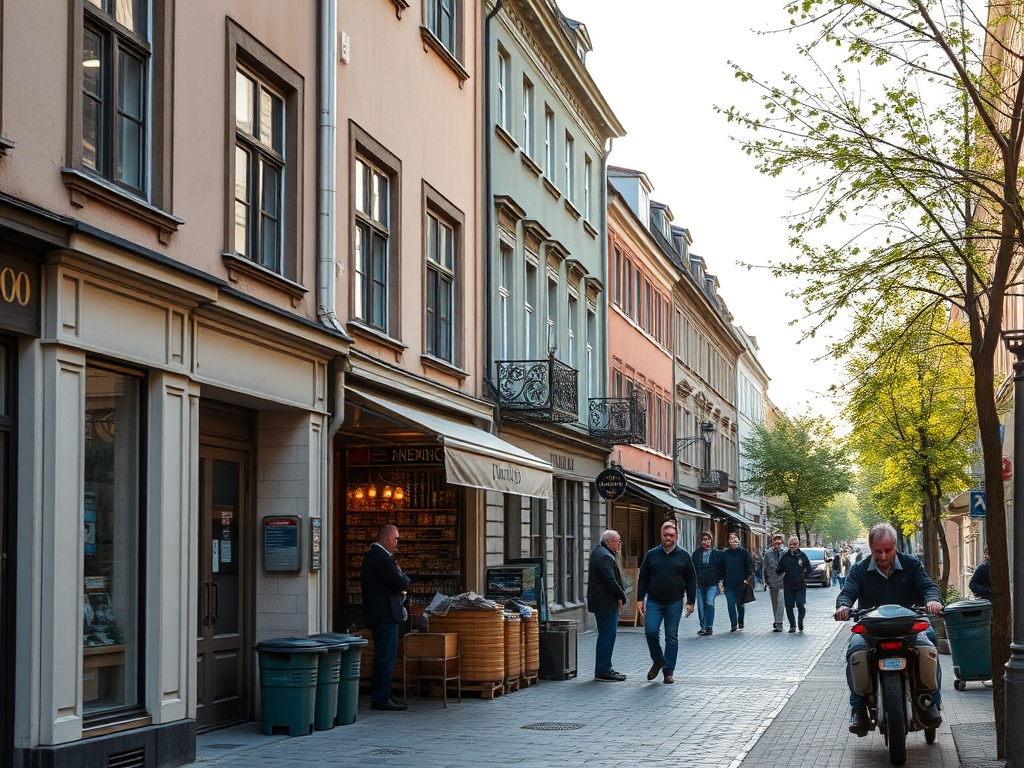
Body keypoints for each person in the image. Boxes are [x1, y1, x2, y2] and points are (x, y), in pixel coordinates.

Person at [836, 522, 943, 735]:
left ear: (895, 546)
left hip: (909, 627)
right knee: (854, 652)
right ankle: (858, 708)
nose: (883, 556)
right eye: (877, 551)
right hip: (871, 629)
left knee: (929, 646)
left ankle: (931, 703)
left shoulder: (912, 565)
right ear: (870, 547)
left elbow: (928, 586)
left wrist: (932, 601)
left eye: (887, 550)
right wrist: (843, 606)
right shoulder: (859, 569)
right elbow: (847, 592)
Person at [637, 521, 696, 684]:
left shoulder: (684, 556)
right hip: (654, 601)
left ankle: (668, 671)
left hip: (674, 602)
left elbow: (691, 579)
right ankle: (658, 659)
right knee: (650, 631)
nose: (668, 537)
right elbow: (643, 578)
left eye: (671, 535)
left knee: (671, 637)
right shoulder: (652, 554)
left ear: (676, 537)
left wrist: (691, 601)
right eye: (665, 535)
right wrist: (639, 599)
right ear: (661, 536)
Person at [360, 524, 412, 711]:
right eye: (396, 538)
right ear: (385, 538)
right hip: (385, 615)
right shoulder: (381, 558)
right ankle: (381, 697)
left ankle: (383, 694)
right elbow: (399, 581)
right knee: (386, 657)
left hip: (381, 614)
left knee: (384, 656)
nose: (397, 543)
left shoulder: (375, 557)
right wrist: (404, 576)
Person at [587, 530, 628, 681]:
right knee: (607, 636)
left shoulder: (601, 552)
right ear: (609, 541)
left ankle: (606, 667)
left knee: (607, 635)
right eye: (617, 540)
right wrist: (622, 596)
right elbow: (610, 581)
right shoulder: (604, 556)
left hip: (603, 601)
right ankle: (603, 670)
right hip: (605, 602)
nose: (619, 543)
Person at [691, 531, 725, 636]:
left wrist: (720, 580)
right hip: (699, 584)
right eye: (704, 539)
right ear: (701, 541)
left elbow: (721, 568)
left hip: (712, 583)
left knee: (709, 603)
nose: (706, 542)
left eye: (708, 539)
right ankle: (703, 627)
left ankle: (709, 627)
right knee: (701, 607)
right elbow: (693, 568)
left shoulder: (717, 553)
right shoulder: (696, 554)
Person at [776, 535, 813, 632]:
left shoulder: (802, 555)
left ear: (798, 545)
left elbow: (809, 569)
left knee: (800, 604)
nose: (793, 546)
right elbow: (779, 569)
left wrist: (804, 576)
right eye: (791, 545)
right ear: (788, 545)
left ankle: (800, 619)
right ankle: (792, 625)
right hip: (788, 585)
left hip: (800, 585)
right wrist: (778, 569)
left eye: (795, 544)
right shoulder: (785, 556)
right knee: (789, 605)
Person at [721, 532, 754, 631]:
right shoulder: (725, 554)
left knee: (740, 603)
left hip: (740, 583)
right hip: (728, 583)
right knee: (731, 603)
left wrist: (747, 578)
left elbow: (748, 565)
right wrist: (721, 581)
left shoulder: (743, 552)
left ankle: (741, 620)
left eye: (735, 539)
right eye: (731, 539)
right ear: (729, 541)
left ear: (738, 541)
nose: (733, 541)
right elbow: (722, 568)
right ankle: (733, 624)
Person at [761, 533, 787, 632]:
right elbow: (765, 568)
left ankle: (779, 622)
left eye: (779, 543)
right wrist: (766, 581)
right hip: (772, 582)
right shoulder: (768, 554)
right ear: (772, 543)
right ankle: (776, 620)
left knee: (781, 602)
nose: (777, 546)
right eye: (775, 543)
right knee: (775, 603)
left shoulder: (785, 553)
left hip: (782, 582)